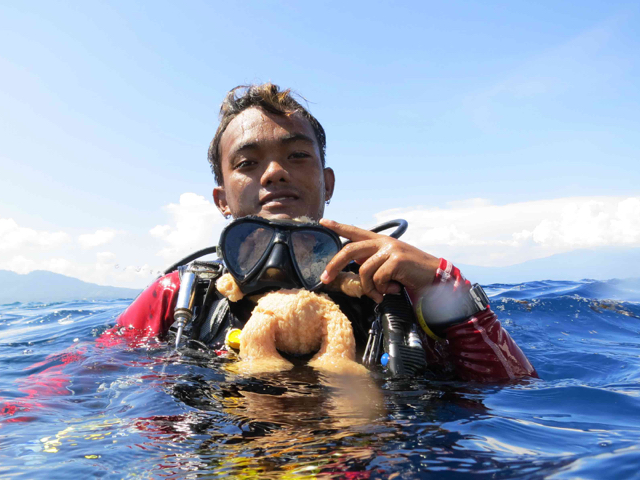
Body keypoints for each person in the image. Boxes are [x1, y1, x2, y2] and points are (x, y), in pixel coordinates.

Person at [117, 84, 536, 382]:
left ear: (328, 183)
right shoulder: (179, 297)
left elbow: (511, 385)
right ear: (221, 199)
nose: (276, 172)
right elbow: (78, 382)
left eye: (297, 155)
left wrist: (443, 280)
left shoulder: (390, 286)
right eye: (247, 163)